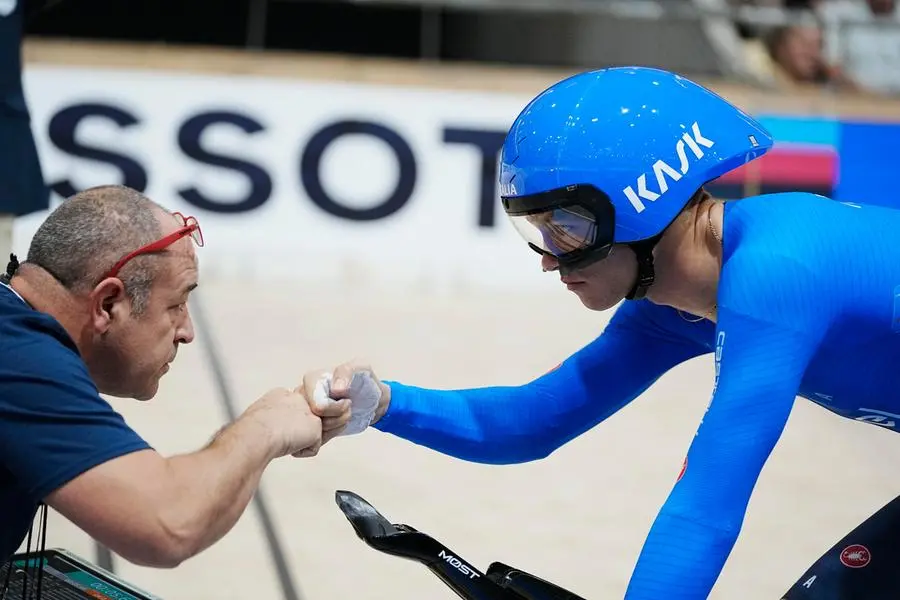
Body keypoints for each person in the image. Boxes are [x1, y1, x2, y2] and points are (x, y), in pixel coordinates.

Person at [301, 66, 900, 599]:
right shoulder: (672, 306)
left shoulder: (778, 275)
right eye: (535, 231)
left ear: (645, 202)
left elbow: (707, 505)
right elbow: (533, 421)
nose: (546, 258)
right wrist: (383, 405)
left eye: (565, 229)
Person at [0, 184, 332, 572]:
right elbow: (168, 524)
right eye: (176, 304)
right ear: (108, 304)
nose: (187, 331)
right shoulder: (20, 356)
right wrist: (267, 425)